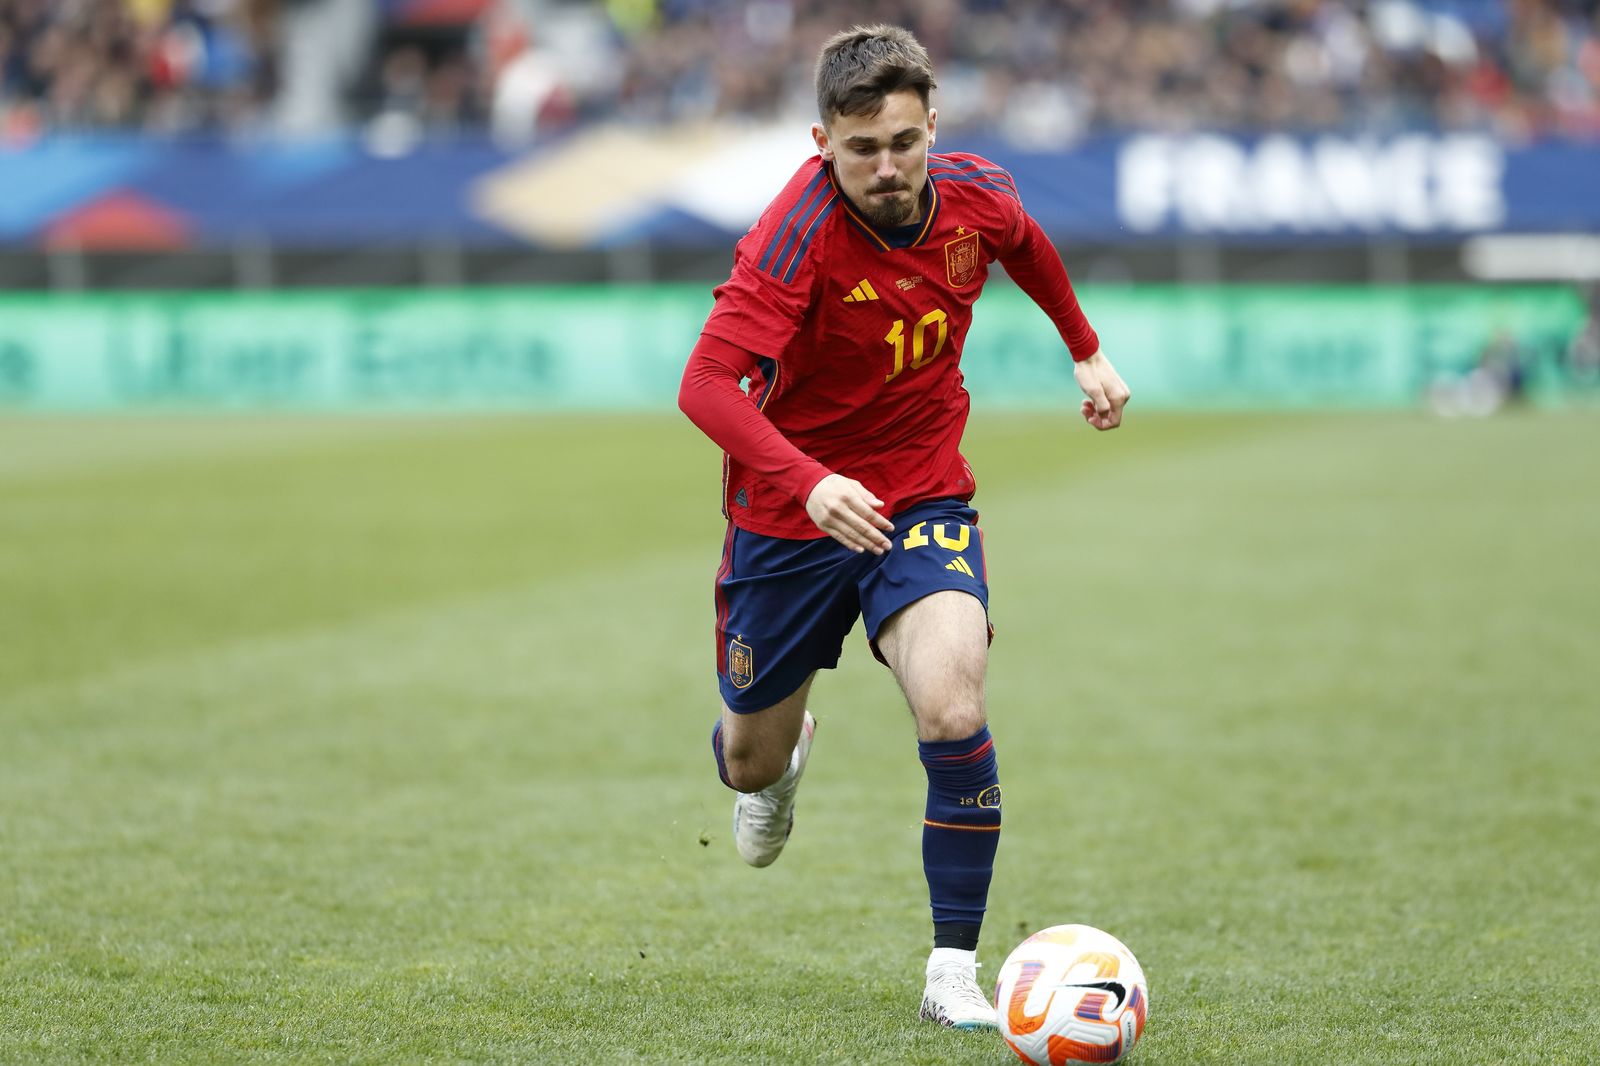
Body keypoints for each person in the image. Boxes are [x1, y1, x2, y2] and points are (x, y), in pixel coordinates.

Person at [677, 23, 1130, 1031]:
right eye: (859, 149)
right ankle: (781, 760)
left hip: (920, 493)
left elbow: (1028, 246)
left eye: (903, 144)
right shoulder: (791, 238)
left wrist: (1084, 350)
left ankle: (952, 973)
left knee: (953, 704)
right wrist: (807, 481)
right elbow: (705, 384)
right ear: (820, 142)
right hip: (789, 521)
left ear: (933, 128)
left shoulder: (976, 195)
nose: (885, 169)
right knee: (747, 757)